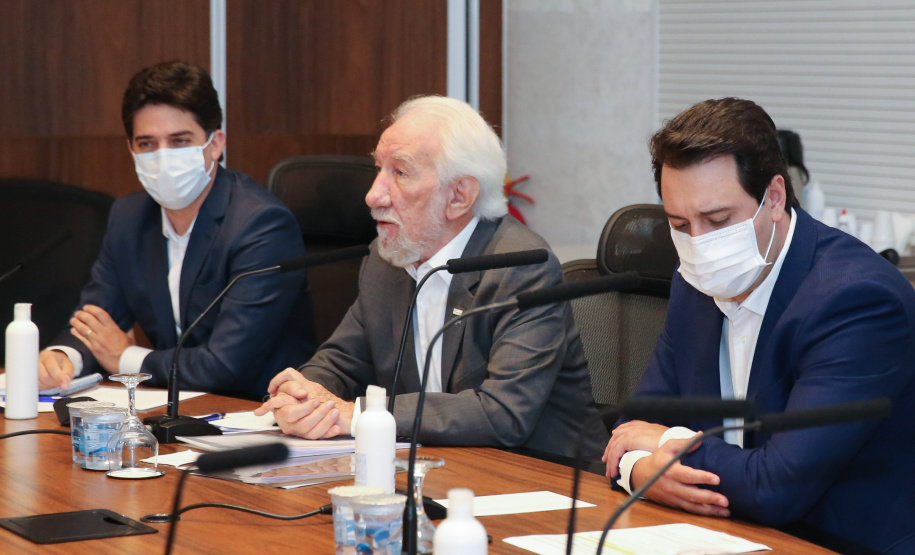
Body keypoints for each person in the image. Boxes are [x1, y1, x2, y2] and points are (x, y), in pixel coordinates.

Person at [603, 97, 915, 554]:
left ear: (773, 198)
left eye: (717, 220)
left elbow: (778, 486)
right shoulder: (695, 283)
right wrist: (641, 472)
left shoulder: (856, 300)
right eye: (679, 224)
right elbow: (634, 425)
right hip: (726, 534)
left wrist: (666, 443)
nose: (699, 246)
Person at [255, 95, 607, 458]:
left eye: (400, 173)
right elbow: (342, 361)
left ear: (459, 196)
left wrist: (360, 415)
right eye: (378, 169)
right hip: (441, 470)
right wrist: (301, 396)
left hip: (547, 483)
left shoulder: (520, 267)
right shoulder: (386, 259)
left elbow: (503, 413)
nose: (373, 195)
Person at [38, 60, 316, 400]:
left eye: (180, 141)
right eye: (147, 144)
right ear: (131, 149)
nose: (163, 157)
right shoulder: (129, 217)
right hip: (177, 411)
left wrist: (126, 359)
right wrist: (64, 357)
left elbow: (227, 366)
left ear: (215, 144)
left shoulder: (261, 224)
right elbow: (96, 321)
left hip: (258, 416)